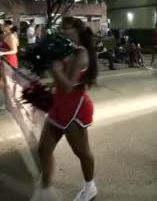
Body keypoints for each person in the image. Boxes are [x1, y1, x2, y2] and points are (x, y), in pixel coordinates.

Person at [32, 17, 98, 201]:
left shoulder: (80, 53)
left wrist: (54, 69)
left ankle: (90, 187)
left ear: (76, 31)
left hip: (75, 111)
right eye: (61, 27)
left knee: (82, 153)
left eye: (65, 28)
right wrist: (50, 83)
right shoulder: (66, 49)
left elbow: (68, 86)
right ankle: (44, 190)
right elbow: (64, 81)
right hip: (59, 107)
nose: (61, 30)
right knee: (43, 151)